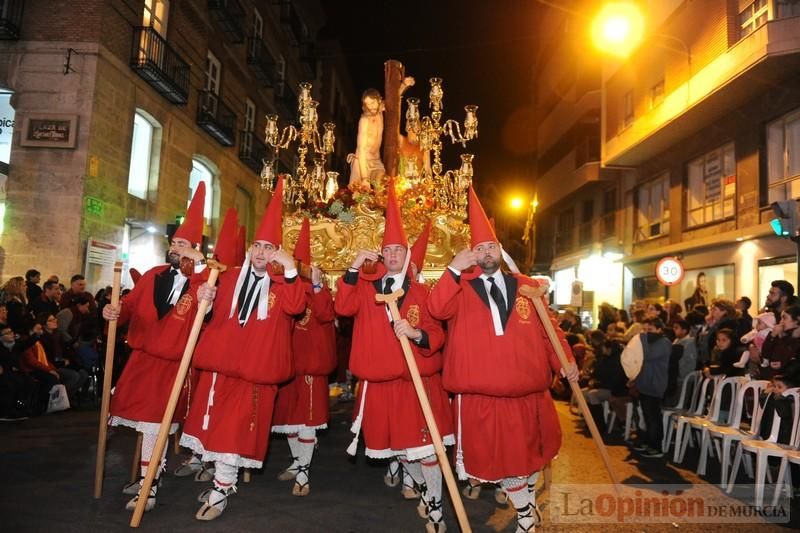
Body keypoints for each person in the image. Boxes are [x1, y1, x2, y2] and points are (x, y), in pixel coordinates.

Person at [428, 185, 578, 533]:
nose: (485, 252)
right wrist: (452, 269)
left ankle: (524, 504)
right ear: (471, 253)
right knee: (504, 464)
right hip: (481, 397)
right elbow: (436, 310)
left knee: (526, 460)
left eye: (490, 246)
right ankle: (526, 513)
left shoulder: (526, 285)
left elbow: (549, 332)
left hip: (528, 393)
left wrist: (565, 362)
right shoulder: (459, 286)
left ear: (499, 250)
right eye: (478, 248)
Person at [181, 179, 306, 521]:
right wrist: (204, 301)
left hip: (254, 372)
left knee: (234, 431)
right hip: (220, 366)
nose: (263, 252)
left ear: (278, 252)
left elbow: (297, 308)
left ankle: (222, 489)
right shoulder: (229, 276)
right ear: (250, 248)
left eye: (270, 247)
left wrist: (291, 267)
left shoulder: (286, 284)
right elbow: (205, 308)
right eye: (259, 246)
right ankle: (220, 480)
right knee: (211, 427)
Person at [335, 179, 452, 533]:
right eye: (387, 251)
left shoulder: (422, 292)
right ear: (381, 255)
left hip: (415, 386)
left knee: (425, 450)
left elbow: (439, 333)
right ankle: (422, 490)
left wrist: (417, 334)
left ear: (407, 255)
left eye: (398, 250)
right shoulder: (366, 288)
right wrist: (354, 267)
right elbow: (342, 306)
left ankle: (434, 505)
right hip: (378, 387)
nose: (393, 255)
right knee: (401, 452)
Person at [101, 183, 209, 513]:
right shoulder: (152, 274)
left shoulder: (206, 283)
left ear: (196, 249)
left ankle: (149, 484)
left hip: (174, 368)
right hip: (142, 361)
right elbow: (130, 306)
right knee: (137, 421)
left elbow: (214, 310)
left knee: (153, 426)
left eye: (183, 244)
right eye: (174, 242)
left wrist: (202, 271)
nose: (176, 248)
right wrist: (113, 313)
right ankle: (148, 475)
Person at [271, 218, 337, 497]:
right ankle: (298, 461)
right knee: (288, 420)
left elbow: (326, 315)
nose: (300, 269)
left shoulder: (319, 291)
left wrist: (320, 286)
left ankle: (303, 472)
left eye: (304, 265)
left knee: (307, 422)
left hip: (311, 366)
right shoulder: (281, 288)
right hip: (286, 365)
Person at [629, 318, 671, 458]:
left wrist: (642, 339)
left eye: (650, 330)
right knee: (646, 416)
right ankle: (647, 441)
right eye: (644, 330)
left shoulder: (664, 342)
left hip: (655, 384)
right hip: (644, 384)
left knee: (654, 417)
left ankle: (656, 447)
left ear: (659, 330)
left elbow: (647, 355)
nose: (646, 333)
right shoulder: (649, 342)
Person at [347, 88, 385, 189]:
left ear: (379, 101)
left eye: (372, 102)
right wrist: (364, 178)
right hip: (362, 162)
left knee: (382, 184)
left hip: (376, 161)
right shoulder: (364, 121)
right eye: (367, 104)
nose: (370, 107)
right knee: (357, 197)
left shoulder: (380, 110)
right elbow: (361, 149)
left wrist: (404, 85)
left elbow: (394, 98)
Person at [752, 305, 800, 380]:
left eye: (784, 318)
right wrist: (772, 335)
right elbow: (765, 354)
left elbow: (791, 361)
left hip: (788, 380)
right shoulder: (779, 335)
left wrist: (780, 337)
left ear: (797, 321)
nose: (781, 322)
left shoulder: (790, 339)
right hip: (771, 377)